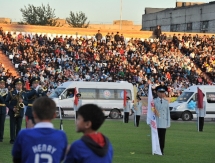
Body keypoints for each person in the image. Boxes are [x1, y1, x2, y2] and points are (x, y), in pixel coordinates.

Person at [12, 97, 68, 163]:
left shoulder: (24, 134)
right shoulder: (61, 135)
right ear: (54, 115)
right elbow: (60, 157)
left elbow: (17, 158)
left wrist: (29, 132)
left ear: (34, 114)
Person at [5, 78, 26, 144]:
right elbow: (6, 102)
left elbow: (27, 102)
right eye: (18, 85)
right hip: (12, 111)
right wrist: (12, 108)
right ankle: (12, 139)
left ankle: (18, 139)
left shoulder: (24, 93)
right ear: (15, 86)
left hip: (20, 112)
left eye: (20, 85)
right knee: (12, 126)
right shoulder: (11, 93)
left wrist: (23, 101)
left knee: (19, 126)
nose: (19, 86)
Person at [154, 85, 170, 155]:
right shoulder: (154, 101)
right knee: (156, 138)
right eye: (160, 92)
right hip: (156, 122)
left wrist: (168, 123)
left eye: (163, 92)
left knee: (162, 138)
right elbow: (152, 112)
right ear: (157, 93)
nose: (161, 94)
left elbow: (167, 113)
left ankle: (161, 150)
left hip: (163, 122)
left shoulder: (166, 102)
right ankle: (156, 150)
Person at [0, 76, 8, 142]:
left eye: (3, 84)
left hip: (2, 108)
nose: (2, 85)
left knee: (2, 123)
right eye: (1, 83)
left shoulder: (6, 91)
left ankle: (1, 137)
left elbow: (3, 100)